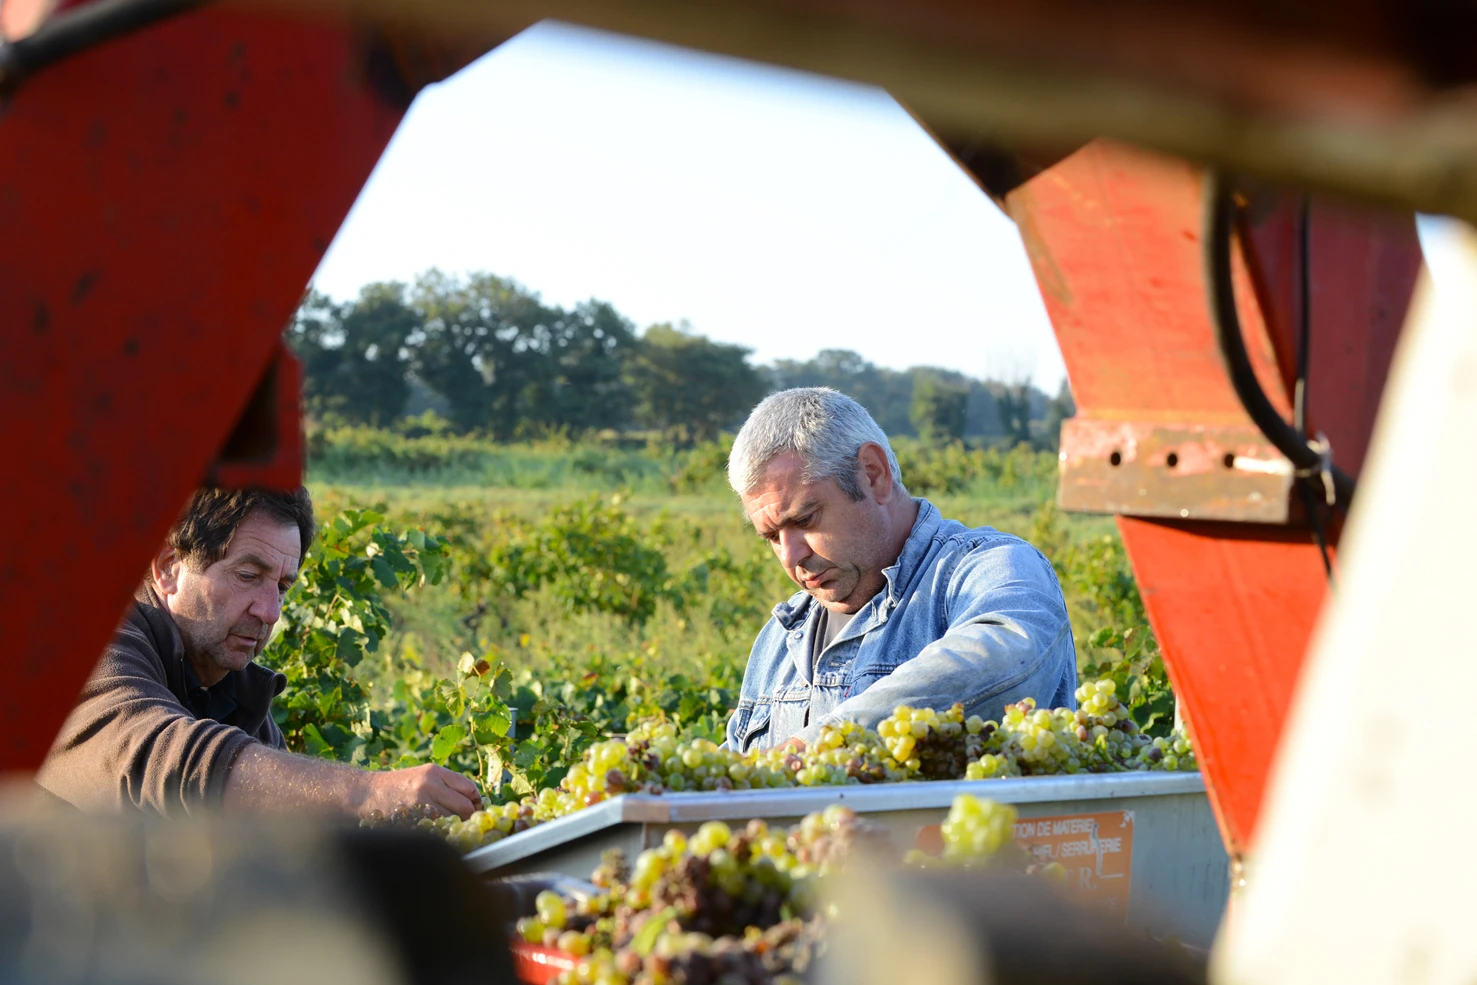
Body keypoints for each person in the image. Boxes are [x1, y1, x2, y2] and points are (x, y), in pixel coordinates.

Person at [37, 486, 482, 819]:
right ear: (169, 568)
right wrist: (371, 793)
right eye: (248, 575)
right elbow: (159, 759)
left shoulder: (230, 689)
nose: (269, 612)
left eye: (283, 587)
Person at [724, 387, 1077, 753]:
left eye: (806, 519)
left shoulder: (989, 569)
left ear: (872, 475)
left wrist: (814, 747)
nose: (790, 556)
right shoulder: (780, 640)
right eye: (771, 537)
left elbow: (1005, 652)